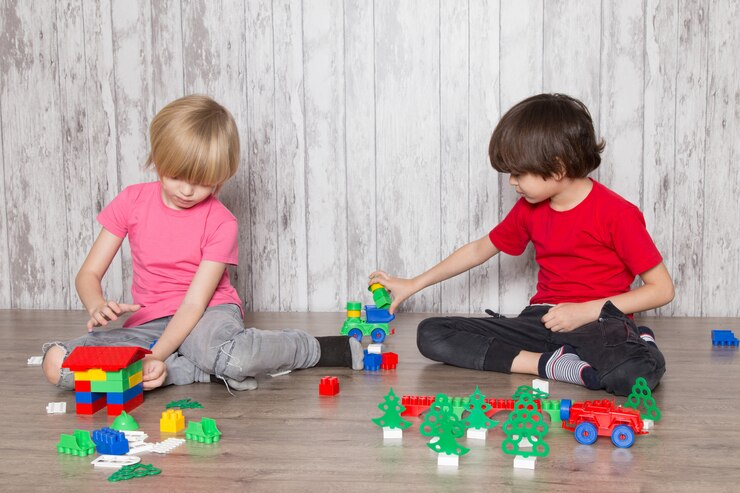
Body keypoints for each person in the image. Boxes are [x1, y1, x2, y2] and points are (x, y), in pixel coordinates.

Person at [43, 94, 362, 392]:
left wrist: (154, 356)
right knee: (58, 364)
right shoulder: (131, 202)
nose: (186, 190)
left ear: (222, 176)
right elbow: (87, 275)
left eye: (202, 183)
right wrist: (96, 303)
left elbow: (194, 304)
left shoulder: (222, 222)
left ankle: (311, 348)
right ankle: (190, 370)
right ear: (156, 157)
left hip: (207, 313)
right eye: (176, 176)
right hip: (151, 321)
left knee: (235, 357)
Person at [369, 93, 673, 396]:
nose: (512, 182)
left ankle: (638, 340)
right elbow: (478, 250)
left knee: (632, 377)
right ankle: (547, 364)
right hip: (541, 320)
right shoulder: (529, 209)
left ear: (557, 167)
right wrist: (413, 284)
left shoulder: (617, 214)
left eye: (518, 172)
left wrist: (582, 312)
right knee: (431, 334)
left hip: (599, 321)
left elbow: (661, 289)